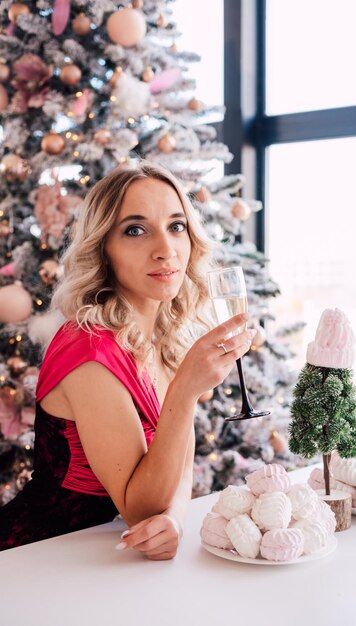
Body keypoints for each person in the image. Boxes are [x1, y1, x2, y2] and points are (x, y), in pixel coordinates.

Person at [0, 160, 255, 556]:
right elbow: (139, 509)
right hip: (38, 558)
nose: (165, 250)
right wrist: (186, 389)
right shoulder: (89, 349)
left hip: (109, 557)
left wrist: (176, 519)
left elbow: (180, 465)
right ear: (104, 248)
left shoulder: (165, 337)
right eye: (135, 230)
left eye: (176, 226)